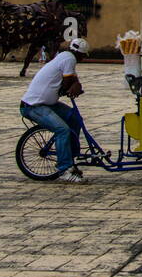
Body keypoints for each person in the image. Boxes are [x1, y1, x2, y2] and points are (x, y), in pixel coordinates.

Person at [20, 38, 90, 182]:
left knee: (74, 118)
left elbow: (74, 80)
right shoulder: (69, 59)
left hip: (48, 103)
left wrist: (75, 85)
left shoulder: (65, 57)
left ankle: (71, 158)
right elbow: (68, 82)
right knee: (62, 129)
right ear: (81, 55)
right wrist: (71, 87)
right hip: (34, 105)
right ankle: (64, 168)